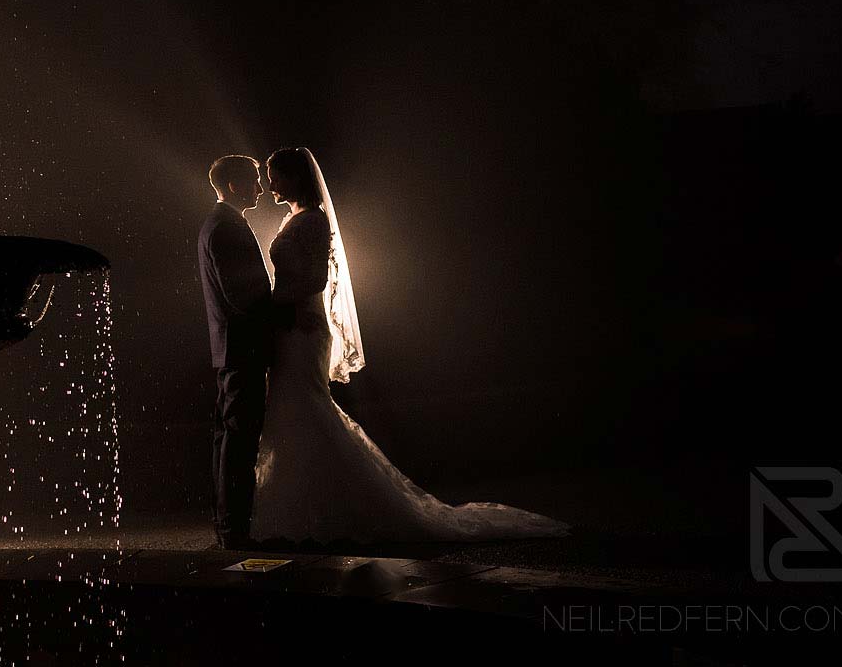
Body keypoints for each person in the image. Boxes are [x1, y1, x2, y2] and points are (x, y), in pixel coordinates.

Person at [250, 147, 569, 543]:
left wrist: (277, 310)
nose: (270, 184)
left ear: (295, 178)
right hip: (290, 328)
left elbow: (315, 281)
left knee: (305, 409)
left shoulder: (313, 222)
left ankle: (330, 509)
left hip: (302, 327)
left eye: (275, 176)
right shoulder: (293, 218)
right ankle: (305, 507)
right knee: (293, 411)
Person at [198, 154, 282, 547]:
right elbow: (243, 297)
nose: (261, 187)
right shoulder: (226, 228)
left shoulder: (221, 224)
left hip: (232, 349)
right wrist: (283, 314)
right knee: (238, 440)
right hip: (242, 348)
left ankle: (228, 523)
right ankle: (234, 528)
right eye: (253, 180)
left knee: (229, 437)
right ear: (233, 186)